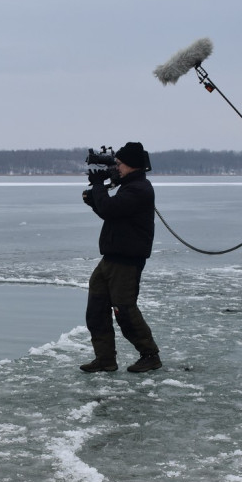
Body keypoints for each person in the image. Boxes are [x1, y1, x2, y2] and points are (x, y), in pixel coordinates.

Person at [79, 142, 161, 373]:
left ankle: (150, 355)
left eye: (120, 164)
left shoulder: (139, 189)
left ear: (132, 165)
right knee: (96, 309)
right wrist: (94, 200)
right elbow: (111, 213)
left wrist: (98, 187)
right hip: (111, 257)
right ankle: (105, 359)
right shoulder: (129, 187)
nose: (117, 167)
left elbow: (110, 210)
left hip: (127, 260)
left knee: (125, 310)